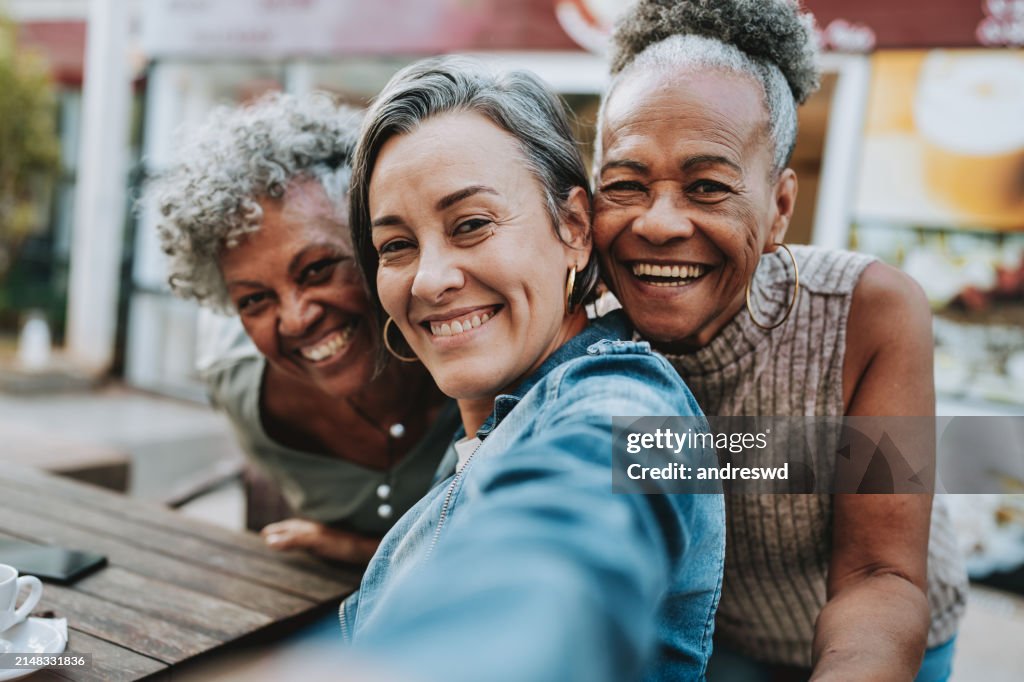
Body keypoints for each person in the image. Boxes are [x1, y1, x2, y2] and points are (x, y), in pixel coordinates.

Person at [591, 1, 967, 680]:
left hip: (882, 645)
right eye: (625, 184)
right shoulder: (579, 327)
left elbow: (880, 572)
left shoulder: (865, 315)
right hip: (722, 644)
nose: (660, 223)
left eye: (707, 187)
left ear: (779, 208)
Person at [341, 56, 725, 682]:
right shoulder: (489, 416)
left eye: (471, 225)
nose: (431, 279)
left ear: (573, 227)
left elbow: (564, 531)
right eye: (397, 246)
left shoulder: (623, 396)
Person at [150, 93, 459, 564]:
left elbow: (613, 527)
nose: (296, 318)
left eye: (317, 270)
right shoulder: (235, 380)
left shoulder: (485, 346)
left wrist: (362, 552)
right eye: (254, 299)